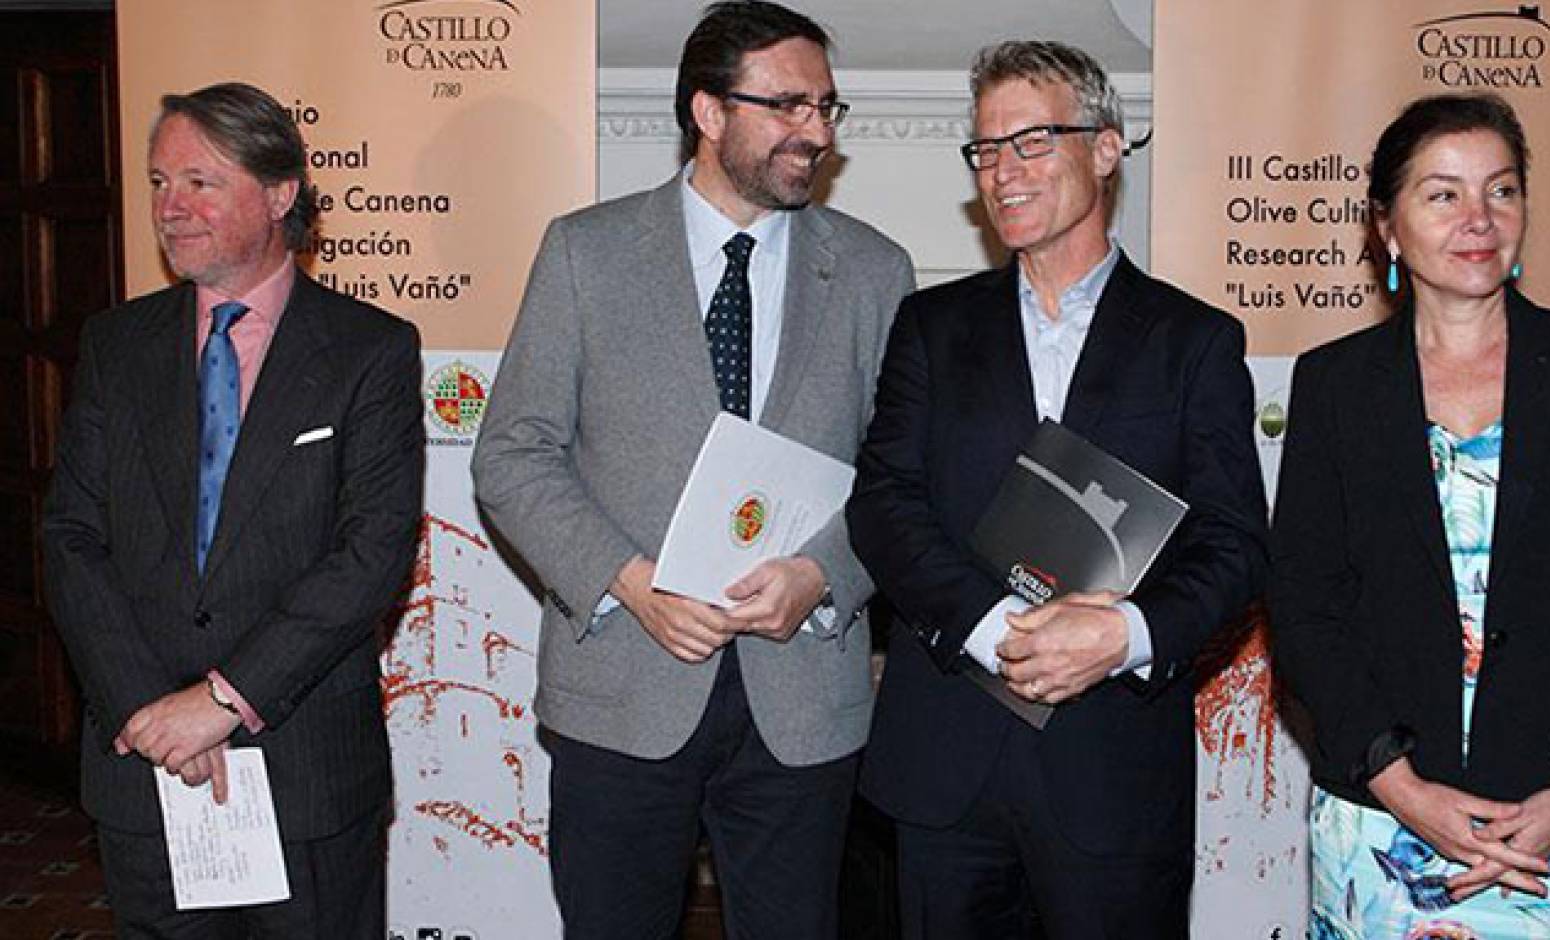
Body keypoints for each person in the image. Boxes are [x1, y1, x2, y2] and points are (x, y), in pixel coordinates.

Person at [470, 2, 915, 935]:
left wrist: (823, 575)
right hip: (622, 689)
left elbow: (902, 473)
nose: (816, 133)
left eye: (828, 109)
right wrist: (632, 584)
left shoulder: (875, 270)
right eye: (788, 105)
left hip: (803, 696)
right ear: (708, 113)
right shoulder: (584, 253)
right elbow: (513, 453)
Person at [847, 40, 1268, 938]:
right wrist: (991, 625)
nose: (1003, 173)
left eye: (1032, 142)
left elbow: (1234, 543)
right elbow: (884, 502)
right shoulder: (930, 325)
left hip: (1111, 772)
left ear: (1106, 149)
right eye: (987, 150)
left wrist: (1123, 635)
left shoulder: (1195, 341)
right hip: (947, 767)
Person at [1269, 93, 1550, 937]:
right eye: (1443, 193)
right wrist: (1405, 792)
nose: (1479, 219)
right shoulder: (1334, 385)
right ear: (1385, 225)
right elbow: (1308, 607)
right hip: (1383, 827)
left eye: (1502, 190)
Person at [42, 82, 423, 936]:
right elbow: (71, 539)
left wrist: (222, 698)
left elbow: (371, 554)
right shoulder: (116, 344)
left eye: (200, 182)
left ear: (280, 194)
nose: (169, 207)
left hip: (306, 776)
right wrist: (155, 713)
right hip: (146, 769)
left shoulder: (371, 350)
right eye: (157, 182)